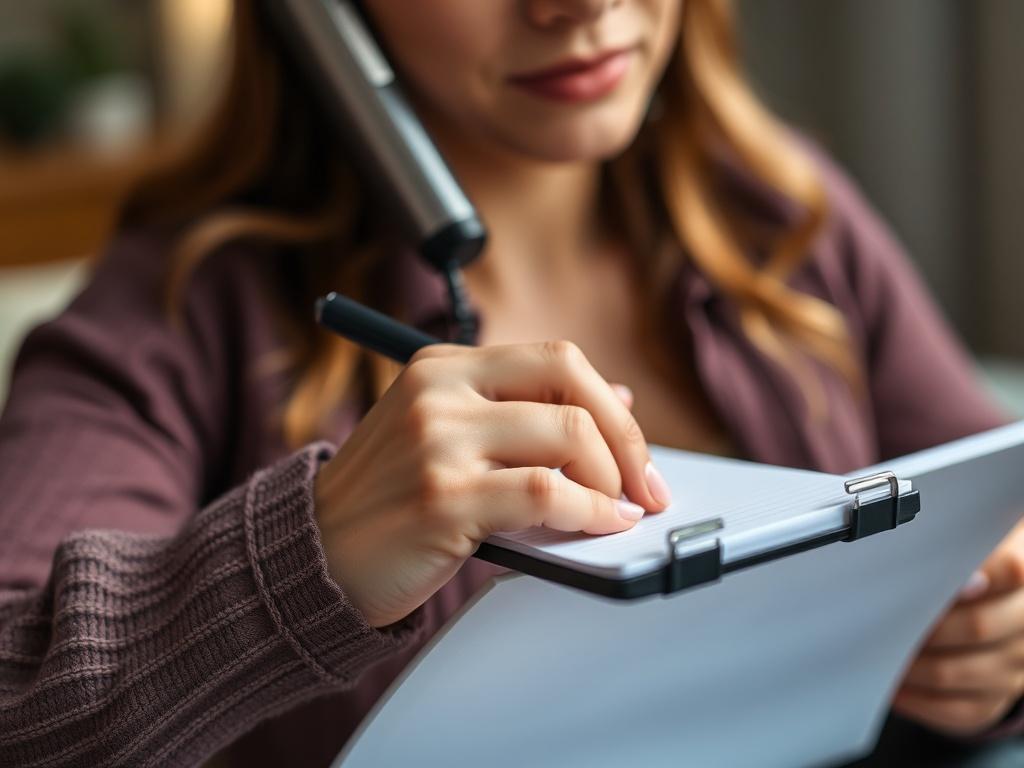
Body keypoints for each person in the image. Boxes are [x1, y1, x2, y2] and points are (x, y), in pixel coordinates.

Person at [0, 1, 1021, 765]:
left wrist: (996, 647)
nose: (581, 6)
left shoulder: (779, 213)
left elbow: (995, 512)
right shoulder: (173, 312)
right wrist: (310, 557)